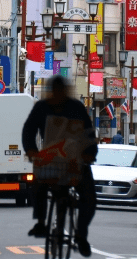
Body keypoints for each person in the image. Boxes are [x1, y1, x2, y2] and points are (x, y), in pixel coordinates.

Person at [22, 75, 98, 257]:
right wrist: (32, 151)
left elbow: (88, 135)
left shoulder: (76, 108)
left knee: (89, 197)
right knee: (37, 183)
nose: (57, 95)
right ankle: (41, 221)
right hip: (51, 161)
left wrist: (90, 154)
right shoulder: (41, 108)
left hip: (74, 162)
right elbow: (28, 131)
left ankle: (80, 233)